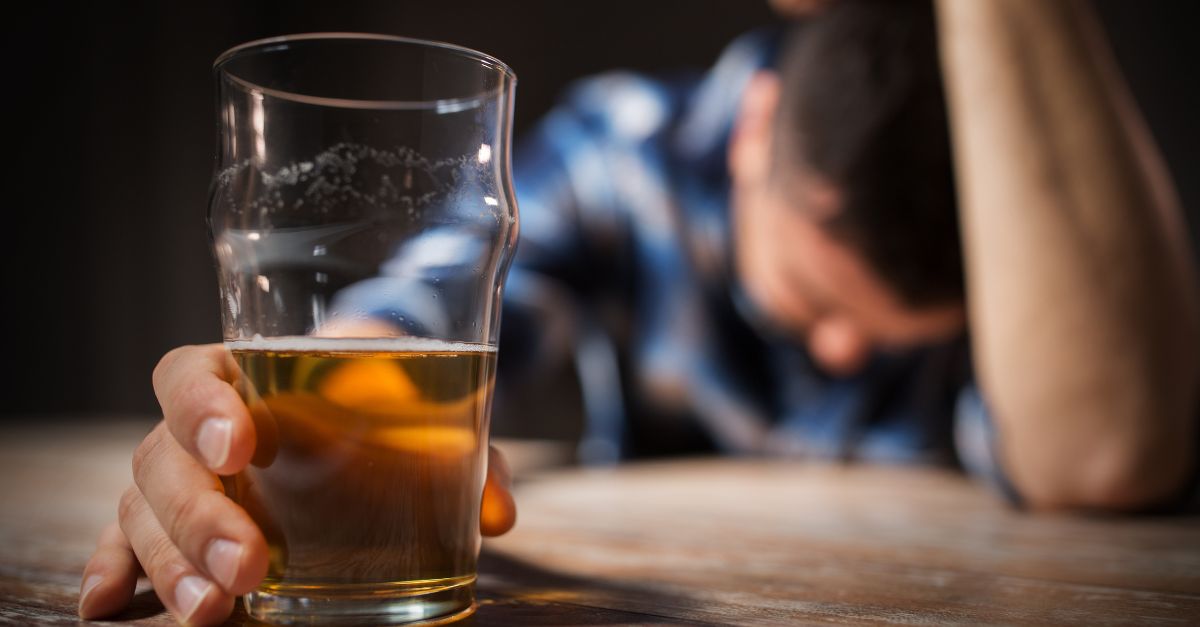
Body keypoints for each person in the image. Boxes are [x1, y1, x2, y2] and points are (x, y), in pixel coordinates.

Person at [79, 0, 1199, 624]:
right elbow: (407, 311)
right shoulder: (631, 157)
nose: (844, 354)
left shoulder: (1047, 254)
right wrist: (269, 428)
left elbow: (1105, 452)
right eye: (811, 306)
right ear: (752, 129)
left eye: (886, 340)